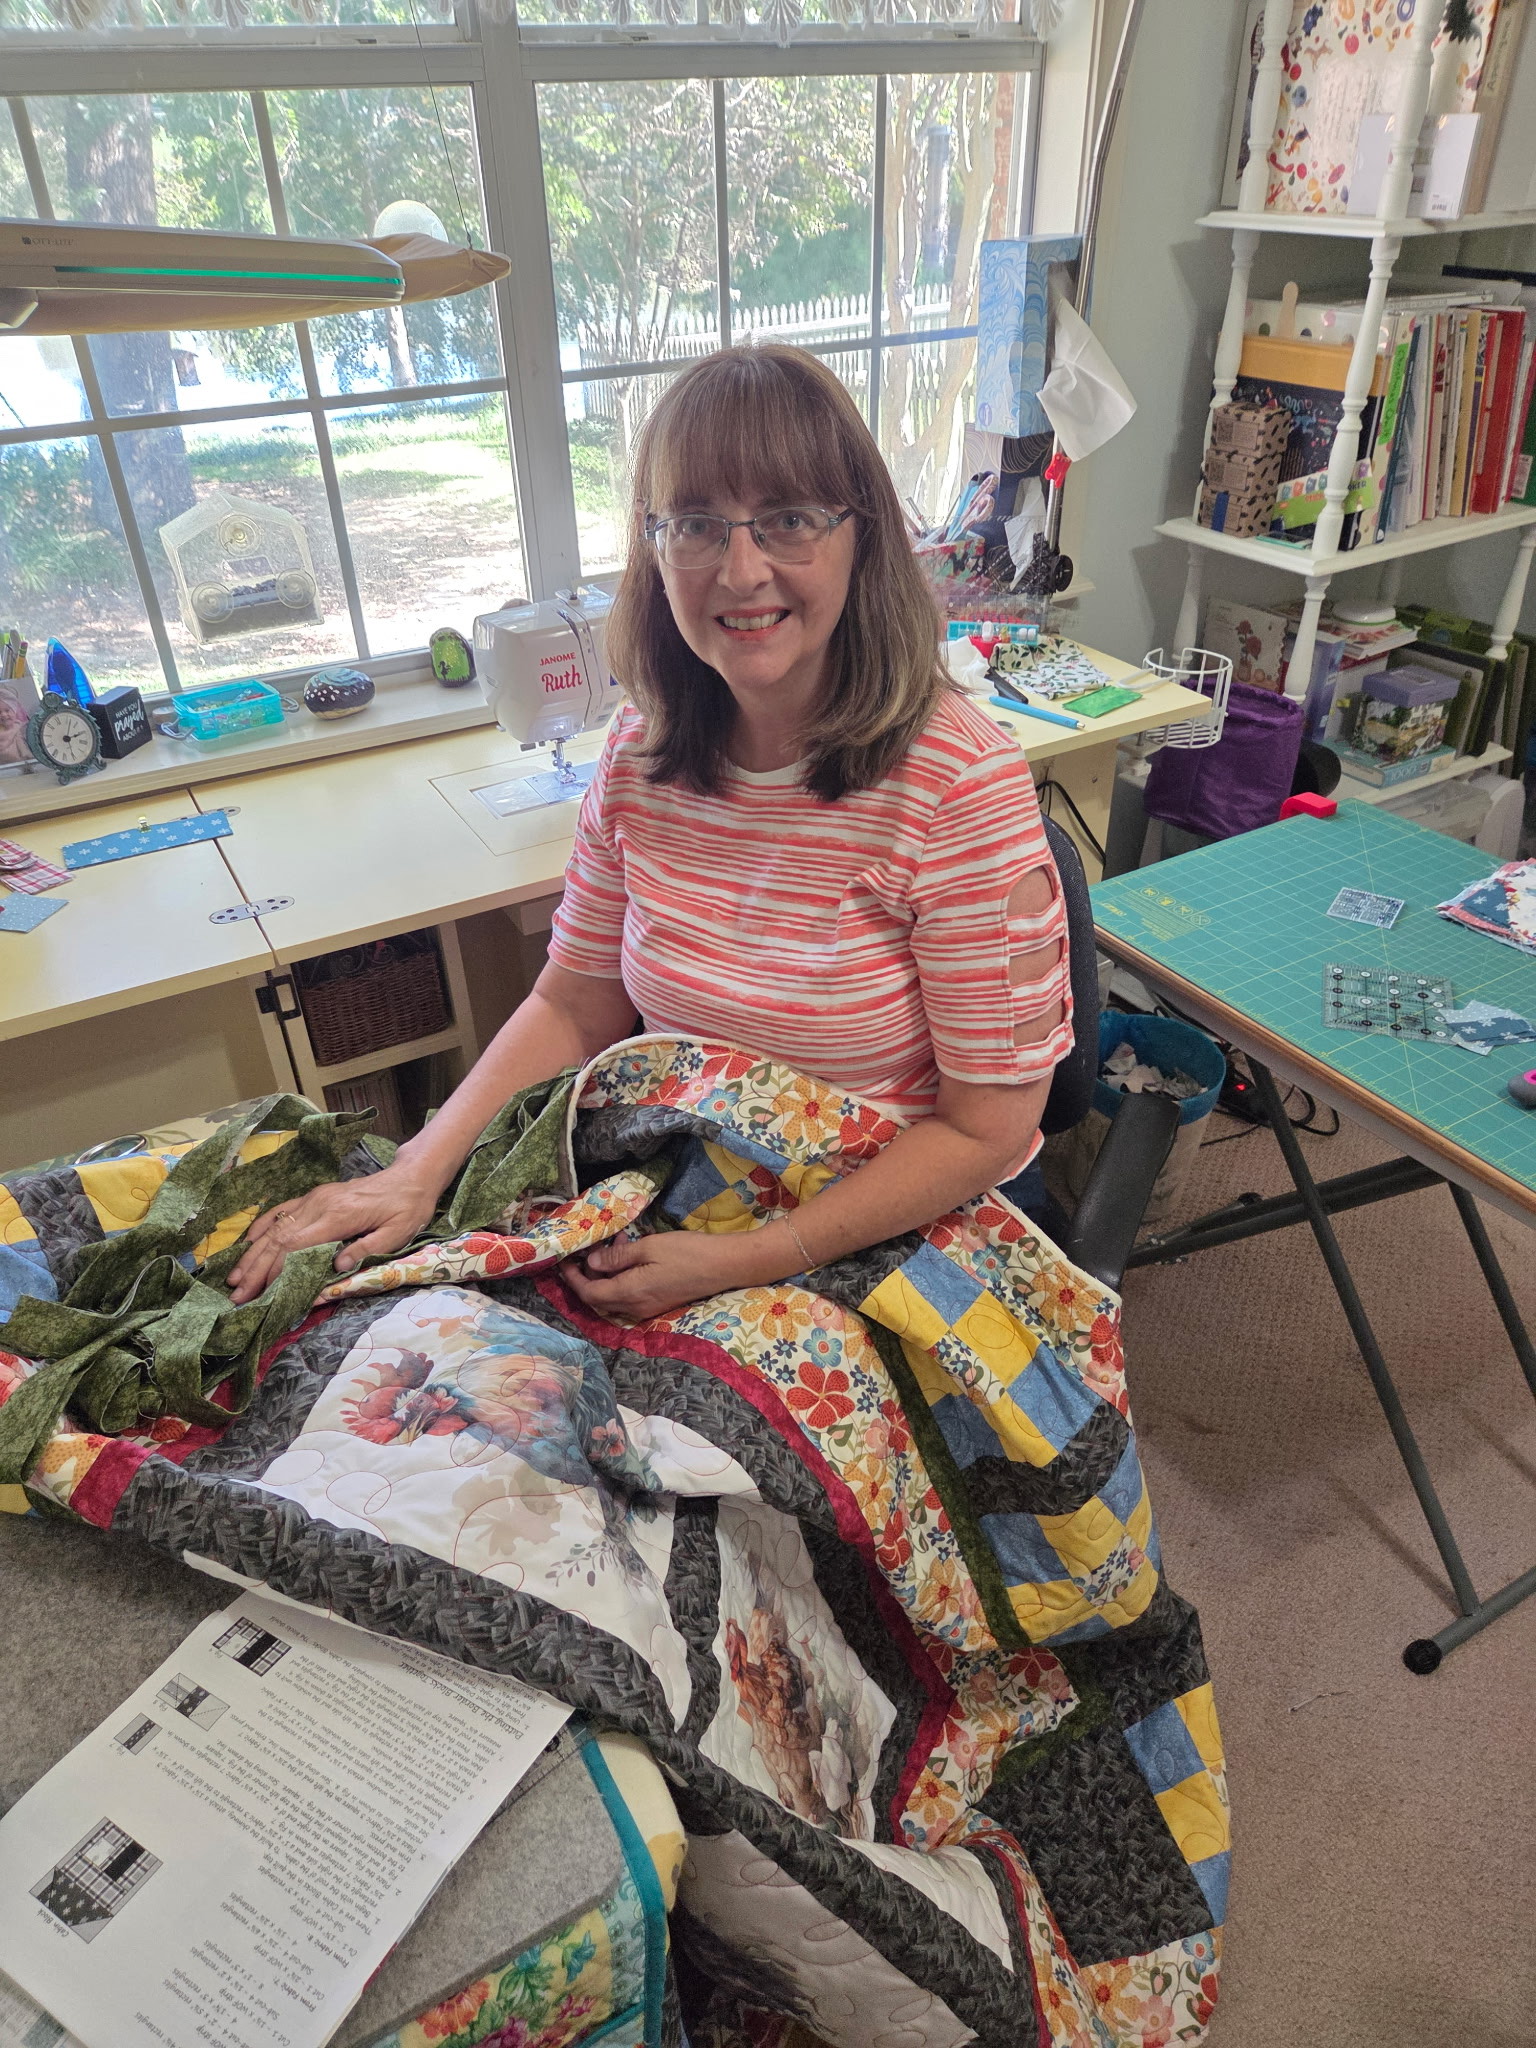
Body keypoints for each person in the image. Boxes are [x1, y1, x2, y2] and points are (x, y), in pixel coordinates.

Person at [229, 345, 1072, 1317]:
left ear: (859, 535)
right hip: (677, 1179)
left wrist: (753, 1255)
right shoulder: (639, 751)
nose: (742, 569)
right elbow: (575, 1004)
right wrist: (417, 1166)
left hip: (877, 1221)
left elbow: (990, 1131)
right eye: (700, 525)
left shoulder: (958, 789)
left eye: (789, 519)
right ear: (654, 543)